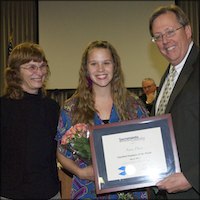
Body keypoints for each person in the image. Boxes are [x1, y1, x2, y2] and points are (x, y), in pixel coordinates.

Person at [56, 40, 150, 199]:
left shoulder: (133, 106)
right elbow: (61, 153)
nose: (100, 69)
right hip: (87, 191)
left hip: (130, 192)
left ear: (115, 66)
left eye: (106, 63)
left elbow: (148, 146)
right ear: (86, 69)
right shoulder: (71, 108)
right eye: (94, 64)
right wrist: (80, 172)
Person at [149, 4, 199, 199]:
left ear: (187, 30)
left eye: (170, 32)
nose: (165, 41)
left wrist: (192, 177)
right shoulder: (169, 76)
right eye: (158, 36)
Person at [0, 42, 61, 199]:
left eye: (42, 66)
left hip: (49, 192)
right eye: (31, 67)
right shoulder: (4, 107)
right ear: (15, 72)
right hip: (12, 193)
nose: (39, 72)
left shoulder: (52, 107)